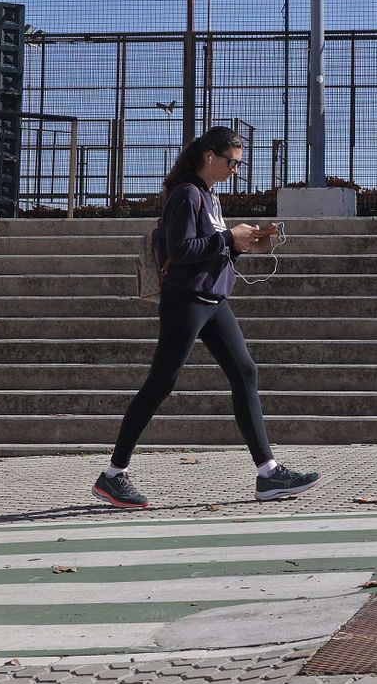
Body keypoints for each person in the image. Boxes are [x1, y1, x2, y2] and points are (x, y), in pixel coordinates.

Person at [93, 126, 319, 508]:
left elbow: (210, 249)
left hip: (213, 300)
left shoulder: (210, 197)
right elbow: (181, 250)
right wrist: (229, 237)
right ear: (210, 157)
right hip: (186, 300)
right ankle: (113, 475)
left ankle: (268, 474)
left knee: (245, 371)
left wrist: (244, 243)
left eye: (239, 165)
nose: (236, 171)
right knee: (160, 383)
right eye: (232, 163)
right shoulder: (187, 194)